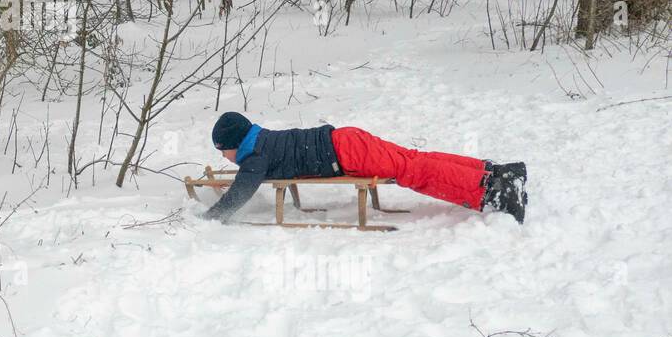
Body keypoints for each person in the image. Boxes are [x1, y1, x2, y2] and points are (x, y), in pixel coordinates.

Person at [202, 112, 527, 224]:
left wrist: (213, 216)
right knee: (414, 158)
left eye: (224, 151)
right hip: (345, 138)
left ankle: (494, 192)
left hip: (347, 154)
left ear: (234, 143)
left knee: (412, 171)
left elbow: (243, 189)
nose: (225, 158)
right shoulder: (262, 139)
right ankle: (494, 173)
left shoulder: (253, 157)